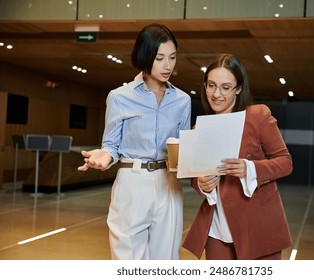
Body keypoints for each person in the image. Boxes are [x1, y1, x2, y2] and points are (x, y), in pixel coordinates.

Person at [77, 23, 191, 260]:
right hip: (132, 181)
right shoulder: (120, 97)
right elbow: (111, 144)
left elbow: (183, 147)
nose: (168, 65)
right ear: (145, 56)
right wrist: (105, 156)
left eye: (172, 57)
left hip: (168, 183)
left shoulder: (182, 100)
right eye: (160, 58)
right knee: (128, 260)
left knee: (166, 260)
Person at [182, 53, 292, 260]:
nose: (216, 94)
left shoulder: (257, 116)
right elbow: (196, 180)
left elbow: (286, 162)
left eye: (225, 87)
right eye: (211, 85)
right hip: (217, 230)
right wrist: (203, 184)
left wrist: (249, 168)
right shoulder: (200, 127)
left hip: (258, 228)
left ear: (238, 89)